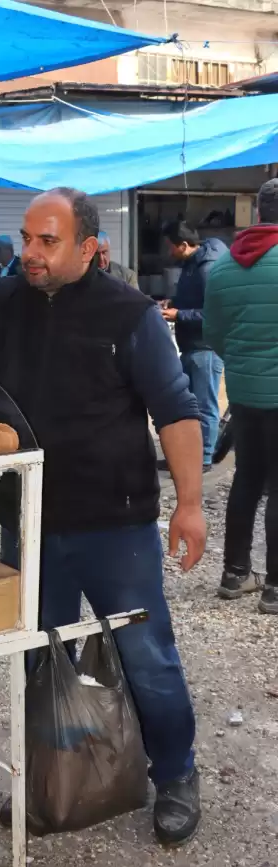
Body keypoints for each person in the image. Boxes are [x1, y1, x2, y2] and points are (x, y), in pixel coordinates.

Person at [0, 187, 206, 846]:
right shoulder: (4, 300)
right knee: (37, 657)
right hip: (28, 520)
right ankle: (57, 770)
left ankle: (174, 774)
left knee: (146, 655)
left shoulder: (130, 315)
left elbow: (174, 410)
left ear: (89, 247)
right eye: (27, 238)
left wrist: (192, 506)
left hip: (115, 522)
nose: (30, 253)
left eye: (46, 241)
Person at [204, 178, 278, 615]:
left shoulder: (225, 268)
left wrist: (246, 364)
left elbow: (214, 334)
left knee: (247, 480)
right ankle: (274, 588)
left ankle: (235, 573)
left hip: (246, 394)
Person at [161, 221, 227, 471]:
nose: (169, 252)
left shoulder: (207, 269)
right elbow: (191, 301)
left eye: (171, 247)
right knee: (186, 406)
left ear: (184, 245)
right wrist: (173, 303)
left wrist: (179, 315)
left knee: (205, 405)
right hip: (189, 347)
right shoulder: (190, 265)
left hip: (205, 349)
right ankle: (185, 457)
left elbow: (215, 314)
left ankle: (204, 459)